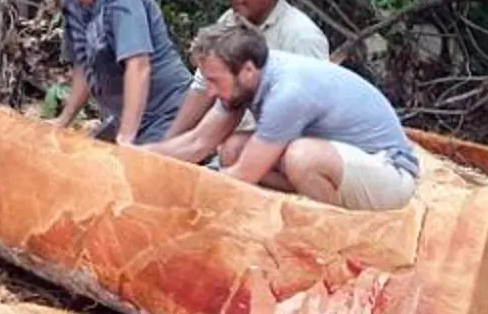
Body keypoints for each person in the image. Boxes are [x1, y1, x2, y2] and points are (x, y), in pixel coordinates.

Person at [145, 22, 420, 210]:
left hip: (390, 173)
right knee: (232, 149)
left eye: (215, 81)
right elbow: (197, 143)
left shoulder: (287, 92)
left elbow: (244, 175)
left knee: (301, 157)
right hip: (344, 164)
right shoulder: (243, 82)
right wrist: (136, 156)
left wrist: (182, 196)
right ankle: (296, 215)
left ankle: (333, 232)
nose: (211, 92)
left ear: (248, 71)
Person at [163, 0, 329, 161]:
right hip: (228, 141)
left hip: (286, 150)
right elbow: (203, 87)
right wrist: (168, 145)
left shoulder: (301, 36)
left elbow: (310, 116)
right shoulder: (228, 22)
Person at [40, 0, 191, 145]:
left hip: (166, 112)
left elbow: (138, 65)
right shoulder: (71, 3)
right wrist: (64, 120)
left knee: (138, 172)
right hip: (124, 116)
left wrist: (126, 138)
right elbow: (83, 65)